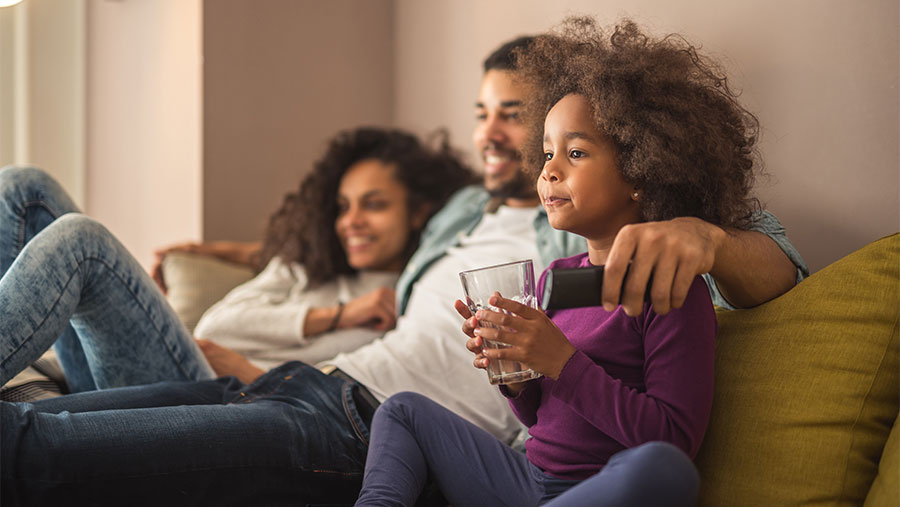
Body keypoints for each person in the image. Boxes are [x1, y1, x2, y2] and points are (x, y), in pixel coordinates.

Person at [0, 28, 806, 505]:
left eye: (517, 117)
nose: (508, 142)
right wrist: (229, 253)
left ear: (640, 155)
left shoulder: (631, 253)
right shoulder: (464, 212)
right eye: (490, 117)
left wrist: (702, 236)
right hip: (300, 383)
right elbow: (325, 243)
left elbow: (764, 254)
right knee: (27, 194)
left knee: (36, 429)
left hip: (339, 423)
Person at [354, 17, 751, 505]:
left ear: (642, 171)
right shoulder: (553, 277)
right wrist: (518, 377)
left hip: (603, 488)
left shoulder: (669, 288)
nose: (548, 170)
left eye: (576, 152)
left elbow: (672, 437)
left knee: (664, 468)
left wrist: (561, 360)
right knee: (399, 411)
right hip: (530, 482)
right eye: (545, 153)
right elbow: (542, 421)